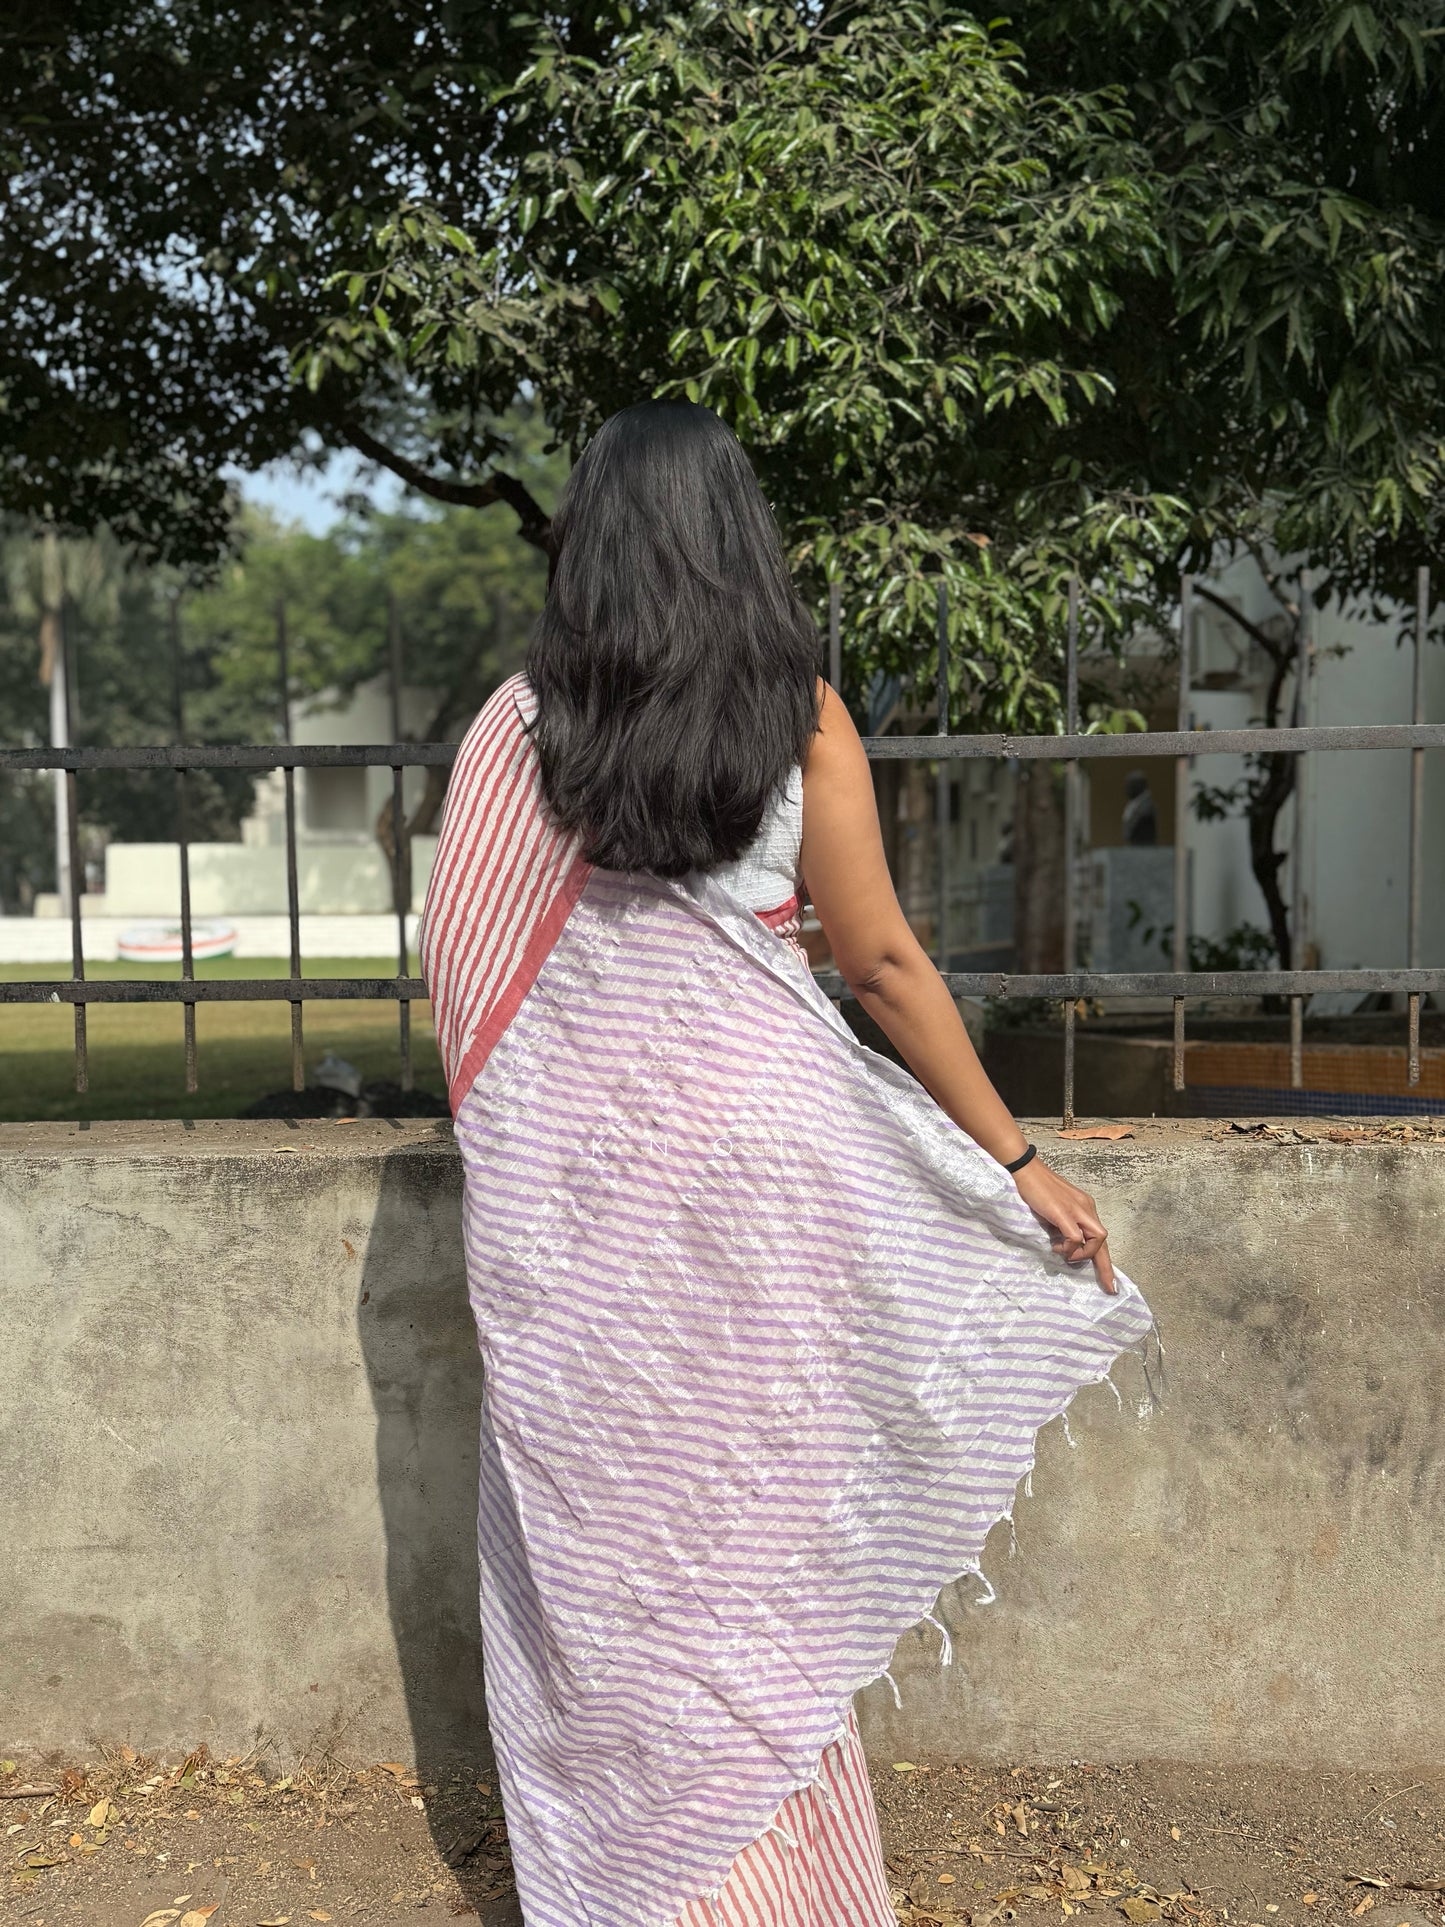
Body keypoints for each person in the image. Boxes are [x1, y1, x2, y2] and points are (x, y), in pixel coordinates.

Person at [420, 400, 1156, 1927]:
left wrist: (547, 1138)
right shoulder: (798, 712)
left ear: (590, 545)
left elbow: (463, 967)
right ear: (737, 535)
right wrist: (1014, 1159)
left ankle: (645, 1879)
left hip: (588, 1191)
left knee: (610, 1535)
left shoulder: (513, 727)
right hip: (765, 1176)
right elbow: (877, 962)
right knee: (751, 1531)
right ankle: (770, 1882)